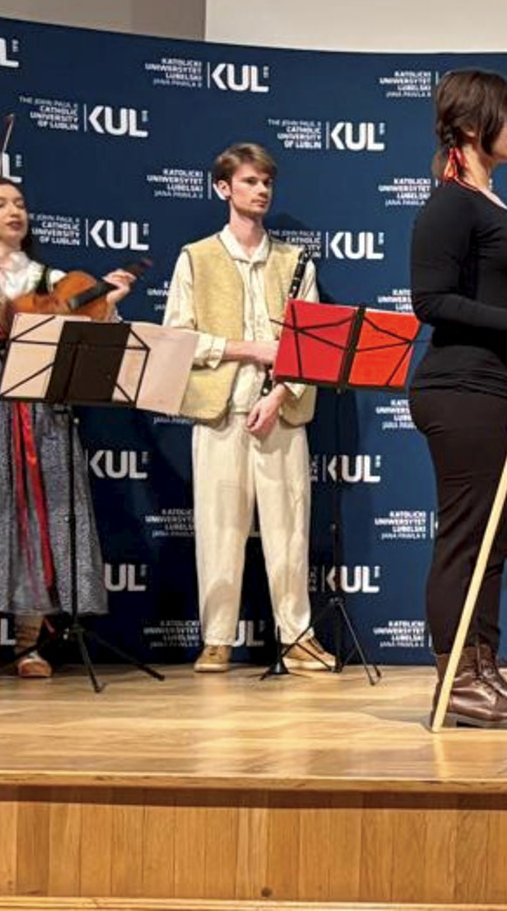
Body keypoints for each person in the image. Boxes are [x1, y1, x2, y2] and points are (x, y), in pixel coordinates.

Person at [0, 178, 134, 679]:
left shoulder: (52, 278)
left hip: (42, 408)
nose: (14, 211)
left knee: (39, 516)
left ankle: (29, 645)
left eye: (20, 203)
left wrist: (107, 302)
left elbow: (96, 341)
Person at [409, 69, 507, 728]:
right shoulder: (450, 205)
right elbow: (430, 301)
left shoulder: (490, 203)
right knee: (467, 539)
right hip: (463, 391)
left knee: (495, 544)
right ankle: (458, 681)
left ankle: (485, 670)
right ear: (474, 125)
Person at [163, 143, 327, 675]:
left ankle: (297, 638)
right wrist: (247, 349)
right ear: (223, 188)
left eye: (266, 183)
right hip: (220, 411)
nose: (261, 191)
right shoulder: (196, 256)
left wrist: (279, 395)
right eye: (250, 181)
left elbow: (311, 343)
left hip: (281, 412)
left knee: (290, 531)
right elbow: (177, 338)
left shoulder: (294, 260)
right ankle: (216, 639)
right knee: (219, 529)